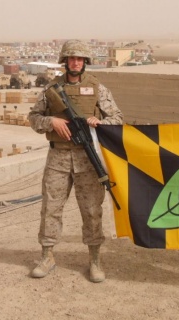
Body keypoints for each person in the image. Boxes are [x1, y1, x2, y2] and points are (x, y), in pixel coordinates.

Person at [28, 39, 124, 283]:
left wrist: (99, 123)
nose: (75, 62)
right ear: (64, 61)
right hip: (58, 158)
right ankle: (47, 256)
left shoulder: (97, 88)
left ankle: (94, 260)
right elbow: (34, 118)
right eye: (71, 58)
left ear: (85, 62)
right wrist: (52, 122)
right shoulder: (51, 89)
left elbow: (117, 118)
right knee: (51, 208)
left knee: (92, 210)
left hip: (87, 160)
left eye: (80, 59)